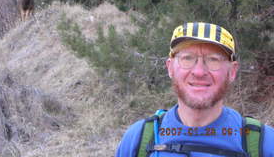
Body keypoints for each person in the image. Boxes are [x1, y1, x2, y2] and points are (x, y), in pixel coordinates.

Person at [115, 22, 274, 157]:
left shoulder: (263, 144)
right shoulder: (138, 140)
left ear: (232, 71)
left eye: (213, 59)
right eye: (187, 58)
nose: (199, 72)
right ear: (170, 68)